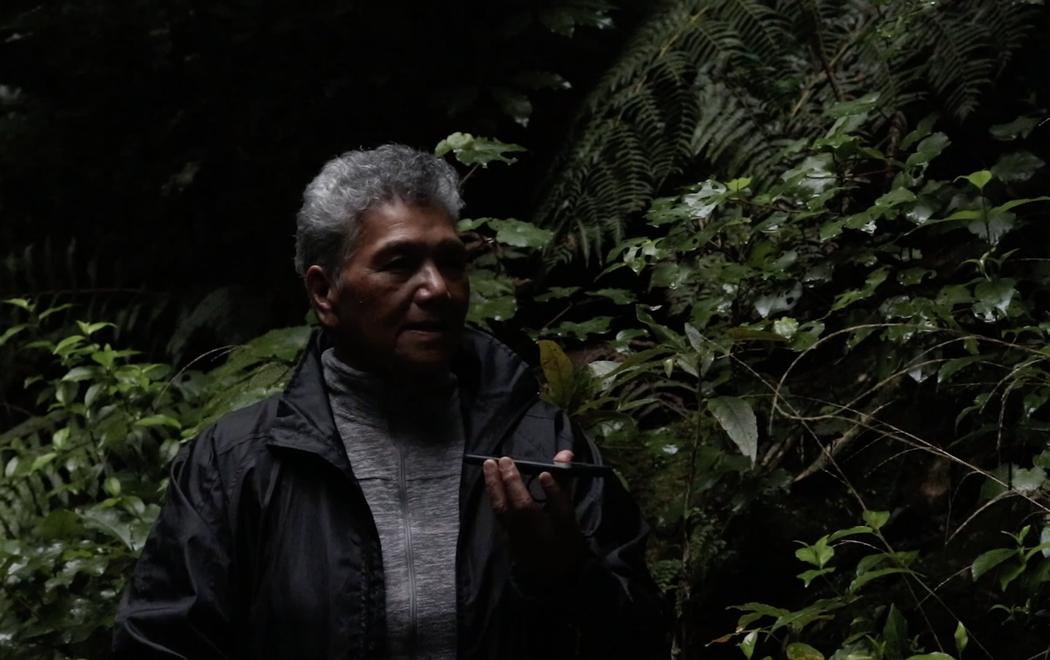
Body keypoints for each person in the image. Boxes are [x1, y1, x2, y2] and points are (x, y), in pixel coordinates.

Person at [113, 145, 665, 659]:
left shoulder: (545, 448)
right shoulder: (238, 465)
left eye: (451, 262)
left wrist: (569, 576)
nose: (437, 289)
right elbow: (159, 644)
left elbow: (642, 640)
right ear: (324, 292)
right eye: (399, 263)